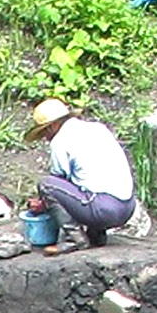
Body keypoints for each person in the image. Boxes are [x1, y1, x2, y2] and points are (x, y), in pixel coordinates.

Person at [28, 97, 138, 250]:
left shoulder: (60, 140)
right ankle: (96, 236)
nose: (46, 139)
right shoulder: (97, 128)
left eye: (44, 133)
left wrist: (43, 203)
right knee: (88, 181)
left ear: (52, 126)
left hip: (104, 210)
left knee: (46, 185)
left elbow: (59, 182)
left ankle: (75, 238)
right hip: (128, 207)